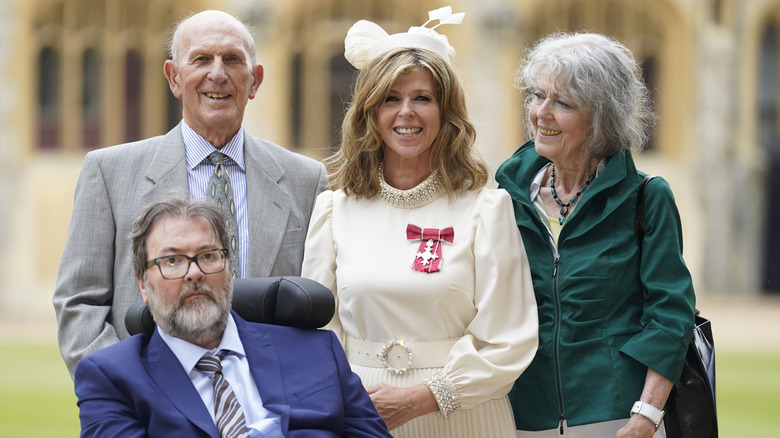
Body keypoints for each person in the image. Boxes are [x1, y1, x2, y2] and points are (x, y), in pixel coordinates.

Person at [301, 7, 539, 438]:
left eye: (422, 98)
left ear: (446, 112)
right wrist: (351, 399)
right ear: (370, 113)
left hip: (465, 416)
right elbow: (318, 331)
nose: (406, 113)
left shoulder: (487, 209)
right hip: (360, 415)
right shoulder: (334, 211)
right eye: (391, 99)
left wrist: (425, 397)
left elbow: (509, 339)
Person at [53, 10, 328, 377]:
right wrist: (129, 390)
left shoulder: (306, 180)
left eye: (232, 59)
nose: (218, 73)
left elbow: (321, 306)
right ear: (174, 78)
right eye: (201, 59)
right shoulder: (108, 172)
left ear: (255, 80)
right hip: (151, 403)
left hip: (270, 404)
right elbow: (79, 303)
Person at [494, 32, 697, 438]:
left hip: (617, 417)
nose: (541, 113)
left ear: (602, 117)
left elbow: (670, 316)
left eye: (563, 103)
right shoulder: (505, 196)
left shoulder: (647, 196)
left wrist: (645, 417)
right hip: (522, 418)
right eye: (538, 96)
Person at [74, 195, 392, 438]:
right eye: (171, 261)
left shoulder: (316, 350)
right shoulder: (112, 377)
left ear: (230, 270)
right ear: (143, 284)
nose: (194, 273)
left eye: (208, 256)